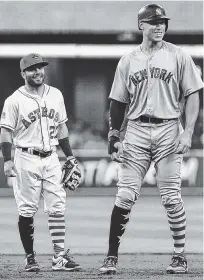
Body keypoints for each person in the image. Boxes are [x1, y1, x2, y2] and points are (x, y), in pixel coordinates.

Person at [99, 4, 203, 275]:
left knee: (171, 197)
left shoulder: (179, 56)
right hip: (135, 130)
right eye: (153, 22)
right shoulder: (128, 60)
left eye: (163, 22)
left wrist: (188, 131)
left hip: (169, 128)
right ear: (141, 26)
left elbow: (193, 94)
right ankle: (111, 257)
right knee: (124, 195)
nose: (159, 26)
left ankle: (180, 256)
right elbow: (117, 102)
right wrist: (113, 137)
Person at [0, 53, 82, 272]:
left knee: (57, 206)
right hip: (25, 157)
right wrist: (7, 160)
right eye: (32, 69)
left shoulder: (55, 95)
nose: (37, 72)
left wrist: (70, 156)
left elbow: (62, 127)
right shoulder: (14, 100)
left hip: (52, 156)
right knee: (27, 209)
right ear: (23, 73)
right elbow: (6, 132)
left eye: (40, 67)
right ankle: (30, 258)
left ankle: (59, 257)